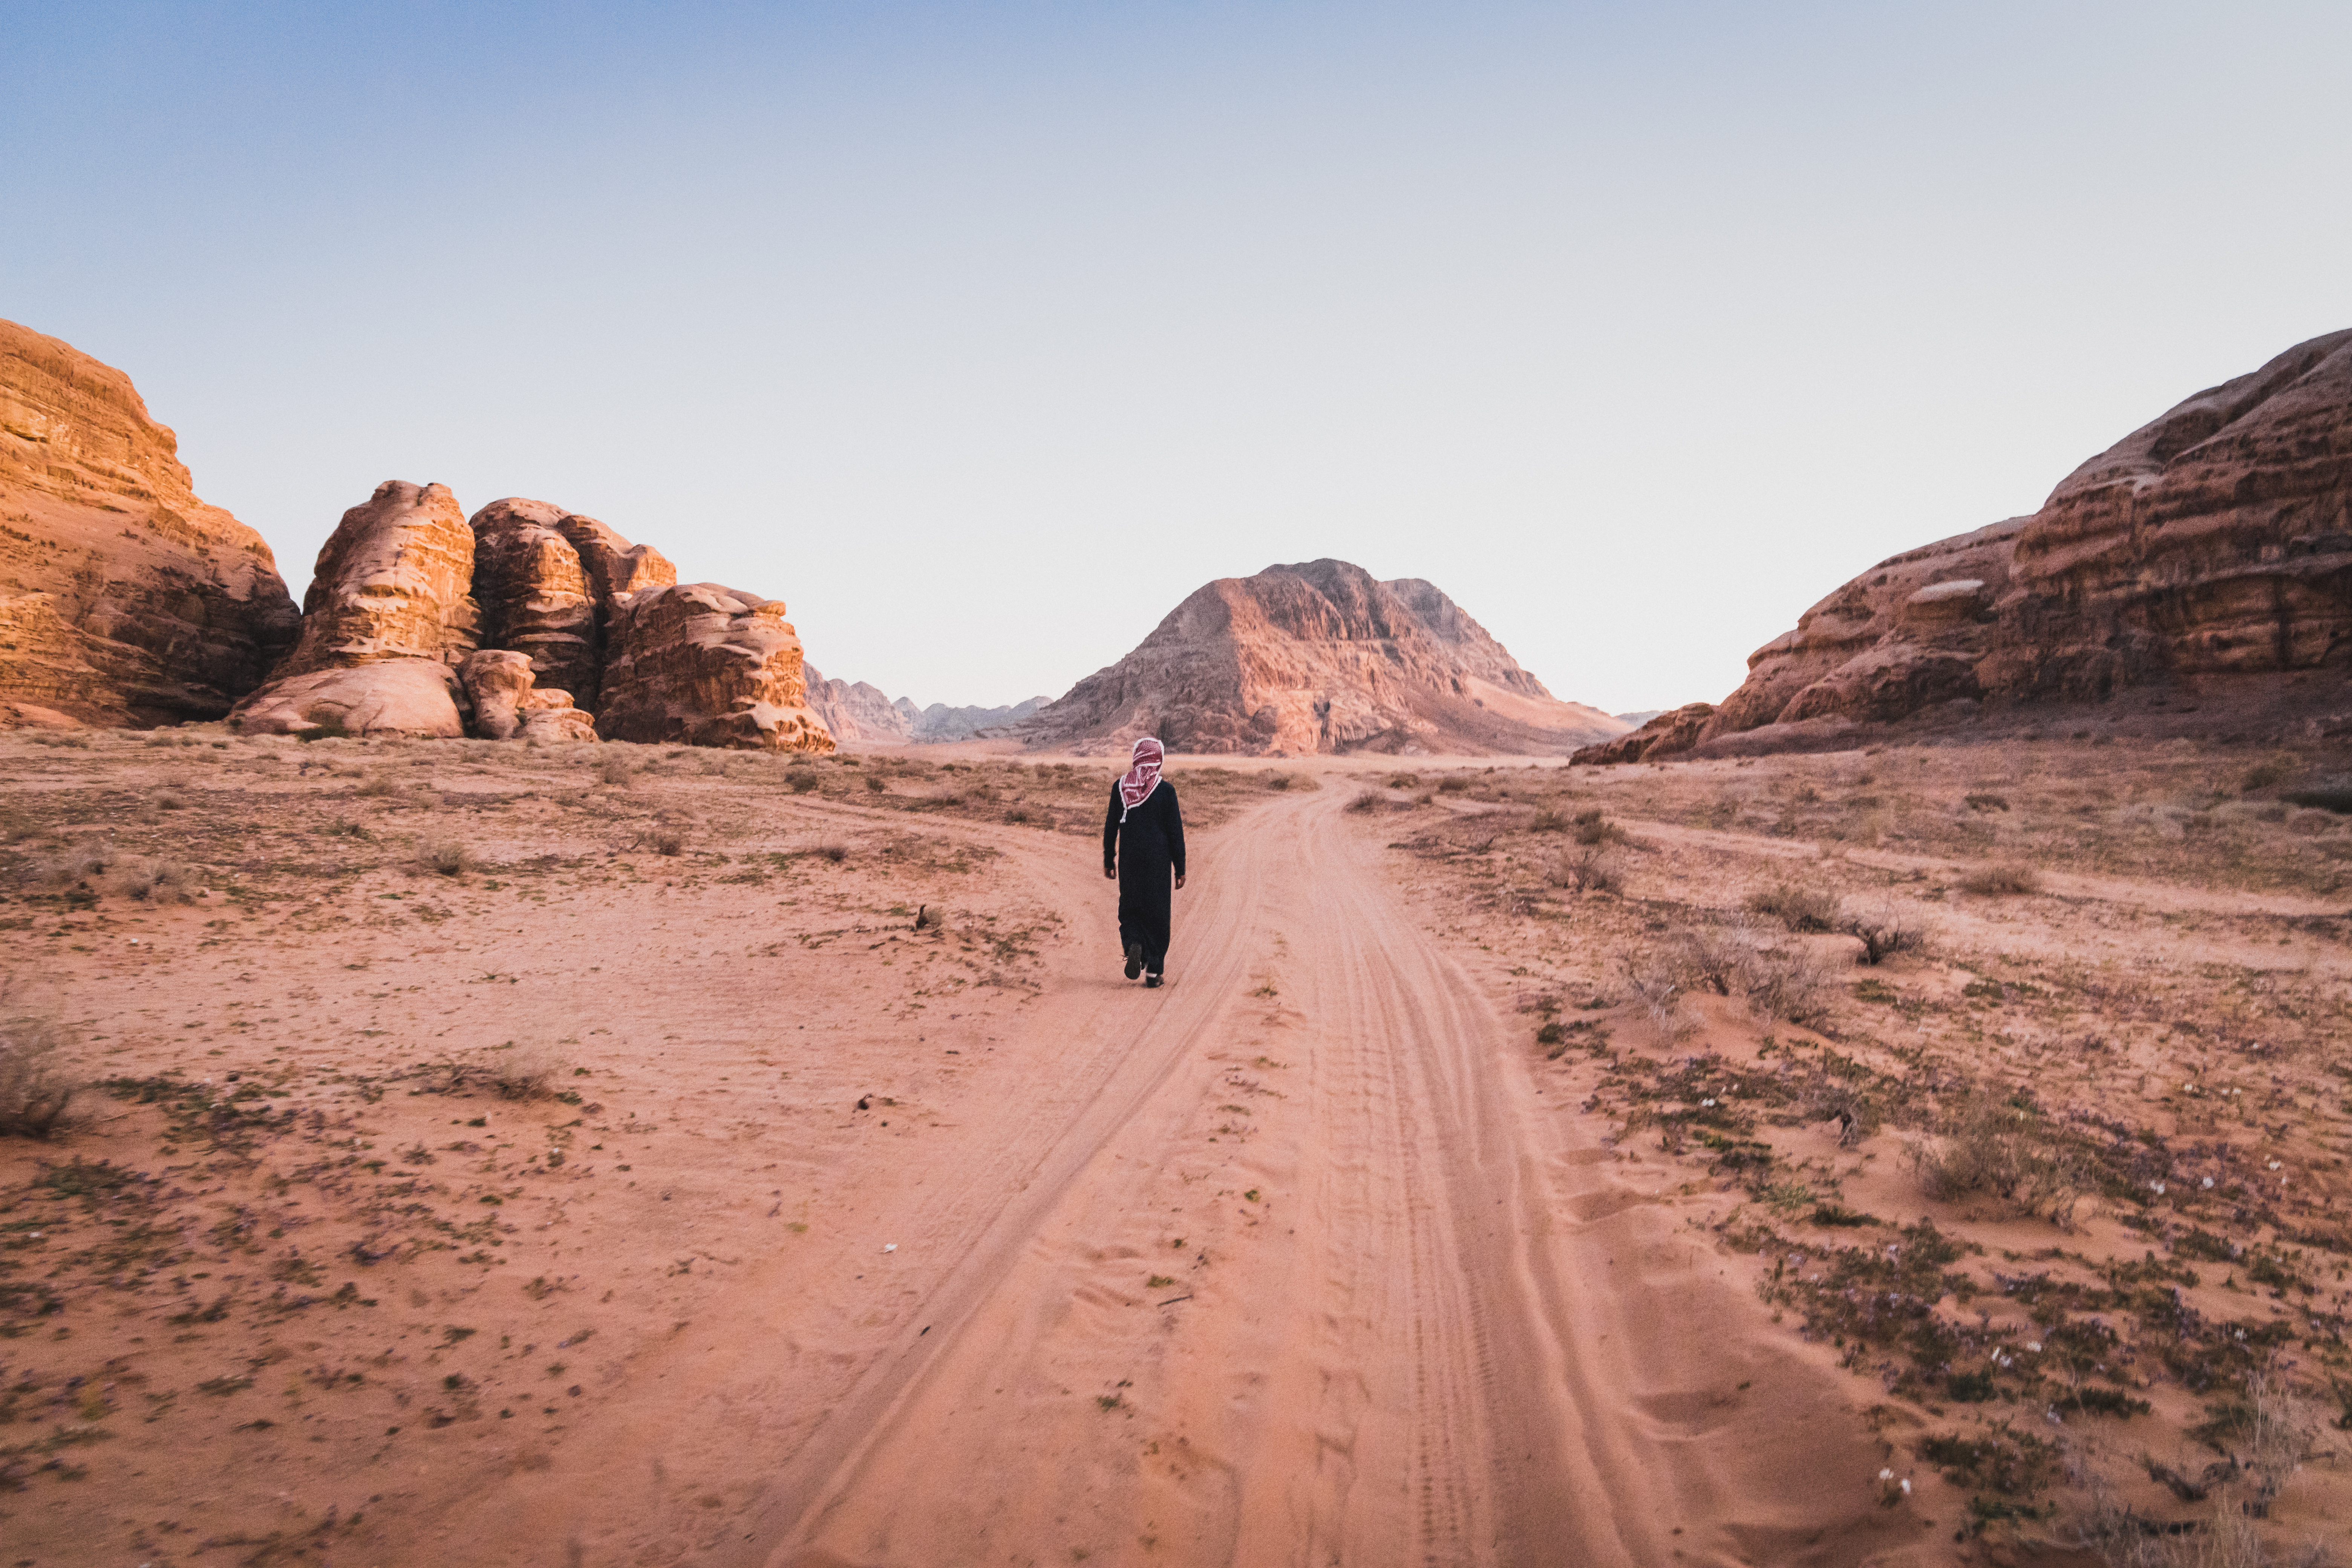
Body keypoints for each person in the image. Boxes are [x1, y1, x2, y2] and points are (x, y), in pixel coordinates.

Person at [1102, 736, 1186, 987]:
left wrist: (1109, 859)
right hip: (1158, 862)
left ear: (1137, 757)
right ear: (1159, 760)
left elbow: (1111, 827)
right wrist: (1180, 868)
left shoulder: (1121, 787)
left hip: (1130, 859)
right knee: (1158, 912)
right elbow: (1175, 833)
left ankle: (1134, 943)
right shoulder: (1166, 791)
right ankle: (1153, 972)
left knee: (1131, 906)